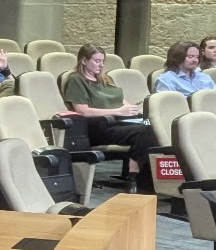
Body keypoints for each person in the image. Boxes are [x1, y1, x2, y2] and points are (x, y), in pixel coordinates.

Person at [61, 44, 160, 186]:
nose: (101, 65)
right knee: (142, 132)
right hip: (97, 126)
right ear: (84, 61)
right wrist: (118, 111)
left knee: (150, 124)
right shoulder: (76, 80)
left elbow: (120, 100)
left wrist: (130, 109)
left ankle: (147, 176)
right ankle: (135, 175)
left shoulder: (106, 79)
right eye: (97, 61)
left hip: (119, 121)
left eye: (102, 61)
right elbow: (82, 111)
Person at [151, 41, 216, 96]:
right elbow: (168, 103)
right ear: (177, 57)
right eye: (190, 57)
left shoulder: (205, 77)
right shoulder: (166, 79)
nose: (195, 60)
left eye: (197, 57)